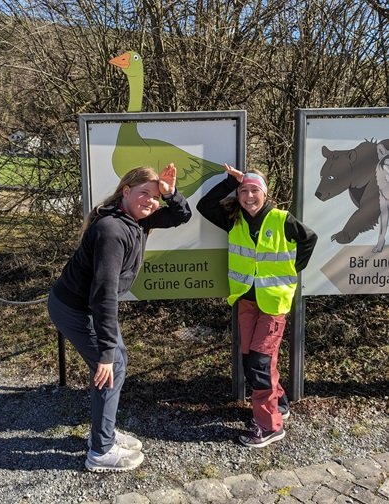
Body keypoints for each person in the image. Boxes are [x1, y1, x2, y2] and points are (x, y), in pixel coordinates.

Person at [48, 163, 191, 472]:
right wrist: (105, 353)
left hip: (86, 306)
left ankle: (104, 432)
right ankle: (100, 451)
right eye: (144, 193)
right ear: (126, 191)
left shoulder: (135, 218)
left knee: (116, 364)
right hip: (75, 309)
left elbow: (181, 215)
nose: (151, 201)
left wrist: (170, 193)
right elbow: (104, 295)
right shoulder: (112, 230)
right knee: (112, 366)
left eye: (155, 197)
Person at [197, 164, 317, 448]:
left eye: (254, 190)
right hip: (247, 301)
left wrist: (292, 270)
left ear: (265, 193)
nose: (249, 196)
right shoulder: (234, 220)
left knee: (260, 363)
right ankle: (280, 402)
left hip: (273, 303)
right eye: (243, 191)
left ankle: (269, 426)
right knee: (252, 361)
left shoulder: (281, 219)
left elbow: (309, 239)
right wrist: (231, 181)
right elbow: (205, 205)